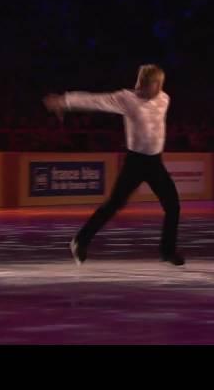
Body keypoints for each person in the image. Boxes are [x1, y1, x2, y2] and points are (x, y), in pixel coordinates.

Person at [43, 64, 184, 266]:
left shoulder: (164, 98)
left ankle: (167, 251)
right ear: (143, 83)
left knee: (173, 205)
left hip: (155, 162)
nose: (156, 88)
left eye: (159, 84)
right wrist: (64, 101)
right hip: (135, 162)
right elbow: (95, 101)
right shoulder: (127, 98)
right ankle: (80, 241)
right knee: (114, 204)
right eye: (152, 84)